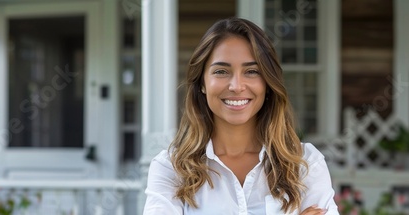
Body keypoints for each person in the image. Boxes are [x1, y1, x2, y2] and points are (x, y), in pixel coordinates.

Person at [143, 17, 339, 215]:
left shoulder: (305, 164)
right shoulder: (171, 168)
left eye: (252, 71)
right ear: (202, 83)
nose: (236, 86)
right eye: (221, 71)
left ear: (267, 84)